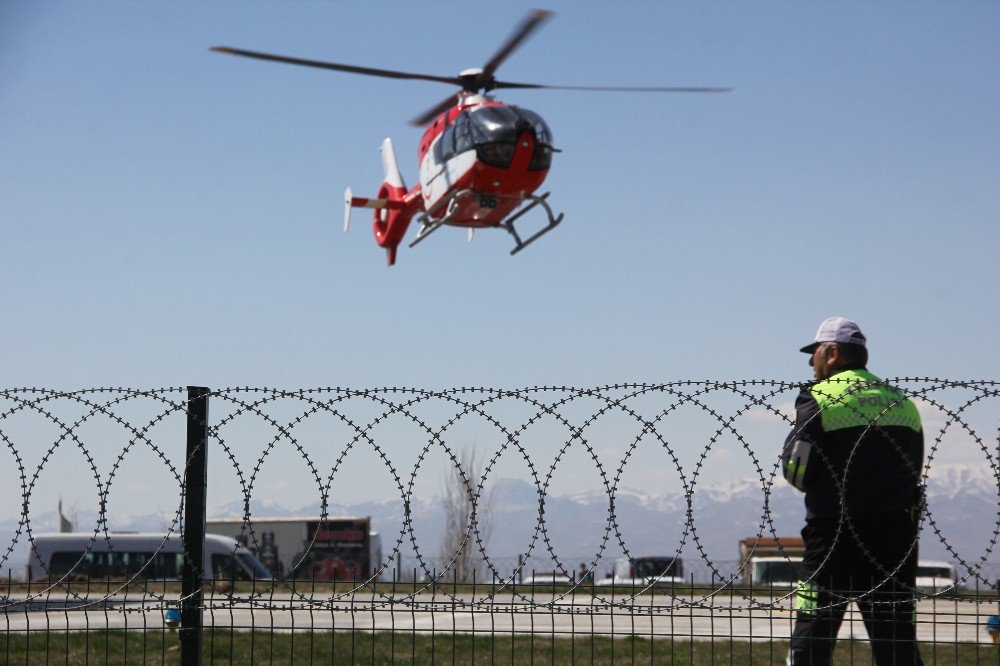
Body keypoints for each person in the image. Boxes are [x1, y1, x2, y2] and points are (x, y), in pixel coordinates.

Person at [781, 317, 924, 665]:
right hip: (895, 535)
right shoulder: (899, 400)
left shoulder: (818, 396)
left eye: (814, 353)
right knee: (895, 641)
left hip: (833, 533)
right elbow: (914, 467)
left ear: (832, 354)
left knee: (813, 634)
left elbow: (797, 467)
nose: (810, 362)